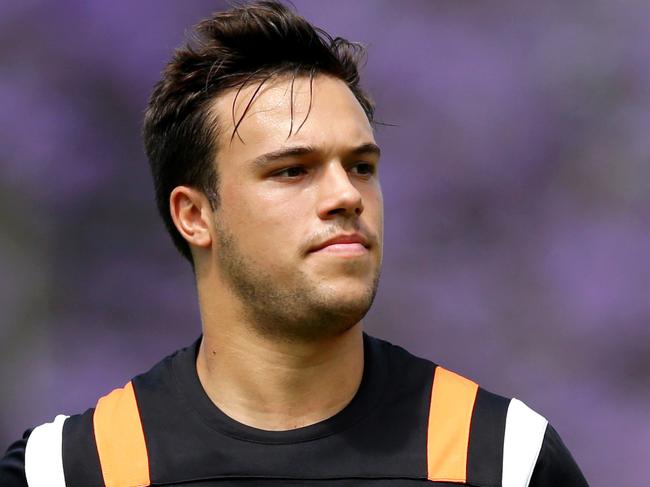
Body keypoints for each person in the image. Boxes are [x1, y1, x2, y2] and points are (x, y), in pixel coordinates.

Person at [0, 1, 589, 486]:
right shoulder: (72, 468)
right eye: (292, 170)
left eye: (361, 166)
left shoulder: (503, 457)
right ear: (194, 215)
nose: (346, 196)